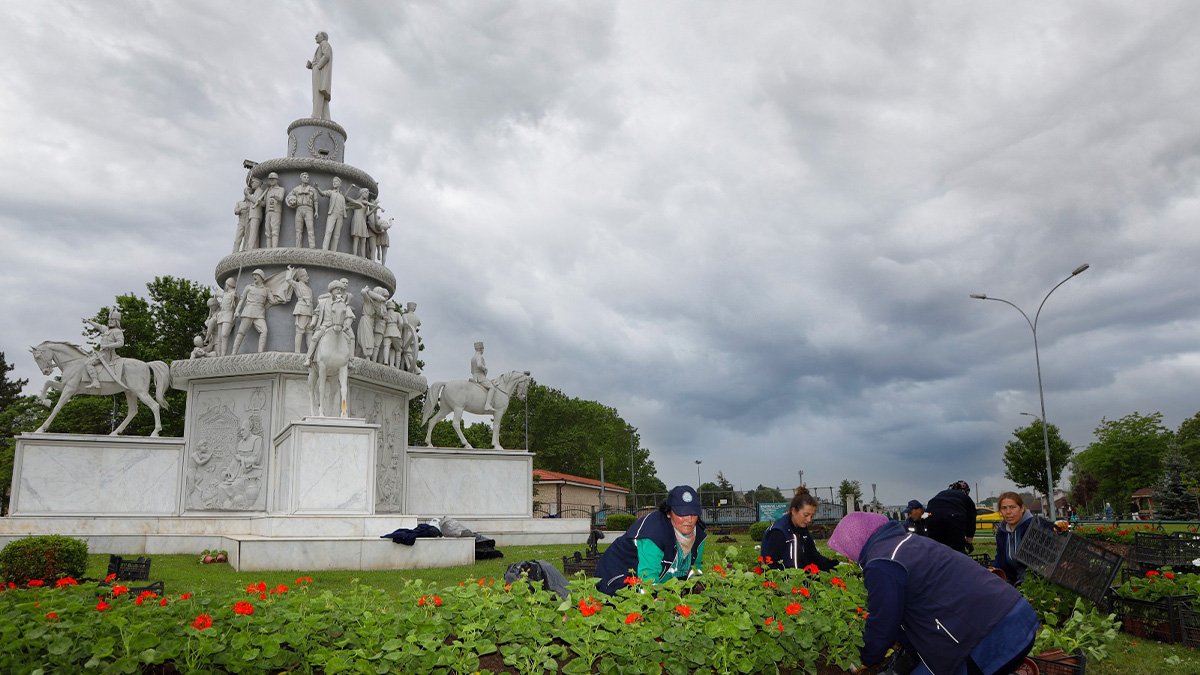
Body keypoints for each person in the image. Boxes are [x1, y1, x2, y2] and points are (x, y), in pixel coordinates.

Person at [829, 512, 1039, 675]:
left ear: (856, 542)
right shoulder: (909, 543)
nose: (848, 559)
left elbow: (884, 621)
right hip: (1014, 614)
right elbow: (910, 613)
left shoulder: (882, 563)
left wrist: (867, 657)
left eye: (846, 551)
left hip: (991, 636)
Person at [595, 485, 707, 595]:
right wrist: (656, 601)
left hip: (650, 578)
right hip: (615, 577)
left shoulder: (699, 535)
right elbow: (648, 579)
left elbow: (696, 567)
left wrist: (696, 587)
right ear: (668, 513)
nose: (689, 519)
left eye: (693, 513)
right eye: (682, 513)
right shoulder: (653, 533)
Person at [760, 486, 838, 571]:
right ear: (793, 511)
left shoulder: (802, 529)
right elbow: (771, 566)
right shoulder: (778, 532)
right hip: (787, 582)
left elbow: (813, 555)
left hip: (802, 580)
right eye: (806, 515)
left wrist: (836, 565)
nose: (809, 520)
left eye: (812, 516)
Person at [991, 492, 1048, 586]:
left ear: (1021, 508)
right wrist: (995, 569)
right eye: (1004, 508)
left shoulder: (1035, 526)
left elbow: (1039, 562)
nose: (1008, 512)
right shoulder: (1002, 532)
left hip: (1036, 581)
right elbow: (1000, 559)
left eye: (1012, 507)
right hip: (1013, 580)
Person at [925, 480, 976, 554]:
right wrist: (969, 542)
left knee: (935, 548)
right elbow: (971, 521)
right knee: (956, 550)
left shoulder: (941, 493)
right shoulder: (965, 498)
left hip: (931, 516)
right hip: (953, 517)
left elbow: (926, 513)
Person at [232, 269, 270, 354]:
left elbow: (273, 300)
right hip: (248, 311)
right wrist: (237, 311)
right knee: (241, 332)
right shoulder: (248, 287)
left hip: (259, 313)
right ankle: (233, 353)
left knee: (264, 331)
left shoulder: (266, 290)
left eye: (256, 275)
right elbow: (242, 300)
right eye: (254, 275)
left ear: (261, 277)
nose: (254, 277)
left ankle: (260, 353)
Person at [85, 307, 124, 388]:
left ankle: (95, 381)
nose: (110, 321)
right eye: (109, 319)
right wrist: (89, 321)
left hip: (107, 354)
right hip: (101, 353)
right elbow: (99, 326)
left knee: (88, 363)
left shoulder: (117, 331)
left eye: (112, 320)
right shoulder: (107, 330)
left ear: (116, 321)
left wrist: (107, 346)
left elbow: (121, 343)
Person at [285, 266, 314, 353]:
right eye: (306, 276)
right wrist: (290, 271)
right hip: (302, 309)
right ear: (301, 277)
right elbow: (288, 280)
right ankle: (297, 352)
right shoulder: (297, 285)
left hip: (309, 311)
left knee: (309, 332)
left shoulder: (309, 289)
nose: (308, 277)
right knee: (300, 331)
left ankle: (310, 353)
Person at [287, 172, 320, 248]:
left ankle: (312, 246)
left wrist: (316, 211)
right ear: (301, 178)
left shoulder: (312, 189)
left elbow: (316, 201)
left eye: (307, 177)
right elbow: (288, 197)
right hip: (299, 209)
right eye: (304, 177)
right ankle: (298, 247)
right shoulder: (296, 189)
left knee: (310, 229)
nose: (306, 178)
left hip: (309, 209)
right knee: (298, 230)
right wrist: (290, 204)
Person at [306, 31, 333, 120]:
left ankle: (315, 115)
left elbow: (327, 55)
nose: (315, 37)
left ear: (323, 37)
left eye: (318, 35)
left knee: (317, 93)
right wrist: (311, 66)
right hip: (317, 69)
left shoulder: (324, 43)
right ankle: (326, 117)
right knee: (321, 94)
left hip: (319, 71)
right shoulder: (321, 46)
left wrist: (317, 66)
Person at [319, 177, 348, 250]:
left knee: (336, 235)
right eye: (333, 182)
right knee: (328, 231)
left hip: (340, 216)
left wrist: (348, 208)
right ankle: (324, 250)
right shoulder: (331, 192)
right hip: (332, 214)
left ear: (340, 183)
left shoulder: (342, 197)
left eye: (336, 181)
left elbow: (344, 208)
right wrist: (317, 188)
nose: (334, 183)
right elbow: (323, 193)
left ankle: (333, 251)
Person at [262, 173, 285, 249]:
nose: (271, 181)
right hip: (268, 212)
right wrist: (258, 202)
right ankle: (269, 249)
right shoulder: (267, 191)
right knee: (267, 232)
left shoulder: (281, 189)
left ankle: (274, 248)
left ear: (276, 180)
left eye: (273, 179)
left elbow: (281, 198)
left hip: (276, 211)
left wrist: (275, 196)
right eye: (270, 179)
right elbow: (264, 203)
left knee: (275, 230)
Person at [471, 341, 496, 412]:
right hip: (480, 377)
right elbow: (479, 365)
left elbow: (472, 370)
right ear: (481, 349)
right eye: (483, 349)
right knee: (492, 388)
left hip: (474, 376)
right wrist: (485, 368)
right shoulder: (479, 356)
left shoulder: (472, 358)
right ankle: (487, 404)